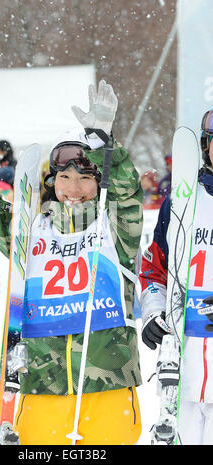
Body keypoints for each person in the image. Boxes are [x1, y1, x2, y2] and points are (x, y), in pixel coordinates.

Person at [0, 80, 143, 445]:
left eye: (85, 178)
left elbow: (127, 192)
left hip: (107, 384)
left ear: (99, 183)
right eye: (64, 177)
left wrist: (101, 141)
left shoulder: (115, 227)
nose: (73, 187)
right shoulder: (29, 230)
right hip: (39, 385)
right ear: (51, 180)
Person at [139, 109, 213, 445]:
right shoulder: (180, 203)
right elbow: (154, 269)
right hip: (181, 370)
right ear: (206, 145)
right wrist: (154, 310)